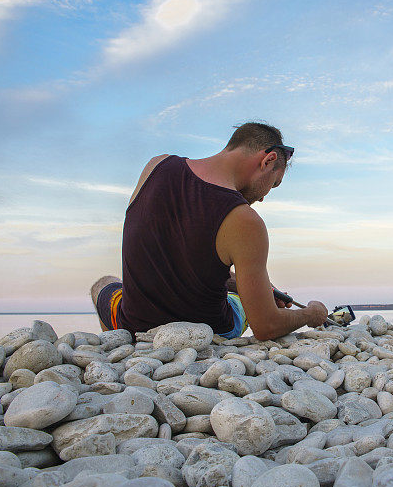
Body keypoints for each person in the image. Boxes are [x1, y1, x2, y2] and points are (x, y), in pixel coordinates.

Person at [90, 122, 329, 340]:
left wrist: (257, 287)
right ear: (268, 160)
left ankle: (118, 346)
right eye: (273, 184)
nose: (264, 197)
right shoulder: (244, 219)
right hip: (208, 330)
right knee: (244, 304)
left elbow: (184, 262)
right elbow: (266, 325)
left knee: (104, 284)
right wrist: (311, 314)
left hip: (134, 325)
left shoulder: (156, 166)